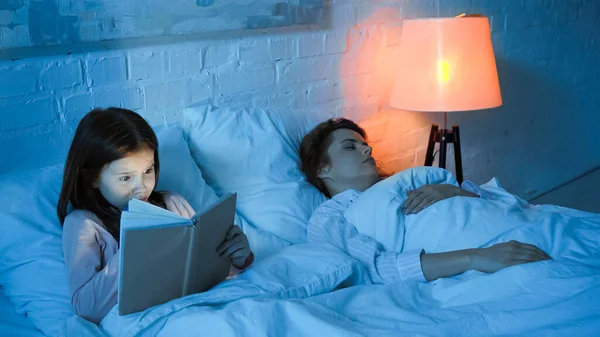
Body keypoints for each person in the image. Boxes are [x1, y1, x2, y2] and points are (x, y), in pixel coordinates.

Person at [57, 108, 254, 324]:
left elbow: (211, 273)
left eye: (148, 171)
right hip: (149, 321)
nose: (141, 187)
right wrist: (133, 252)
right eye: (125, 178)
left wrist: (238, 257)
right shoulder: (84, 225)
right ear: (93, 177)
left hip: (199, 308)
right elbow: (85, 308)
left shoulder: (172, 203)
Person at [299, 117, 550, 284]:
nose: (368, 150)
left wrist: (451, 191)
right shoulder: (329, 217)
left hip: (522, 226)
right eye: (350, 147)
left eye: (365, 145)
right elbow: (377, 268)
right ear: (322, 169)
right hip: (488, 253)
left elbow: (489, 203)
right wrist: (476, 257)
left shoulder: (403, 182)